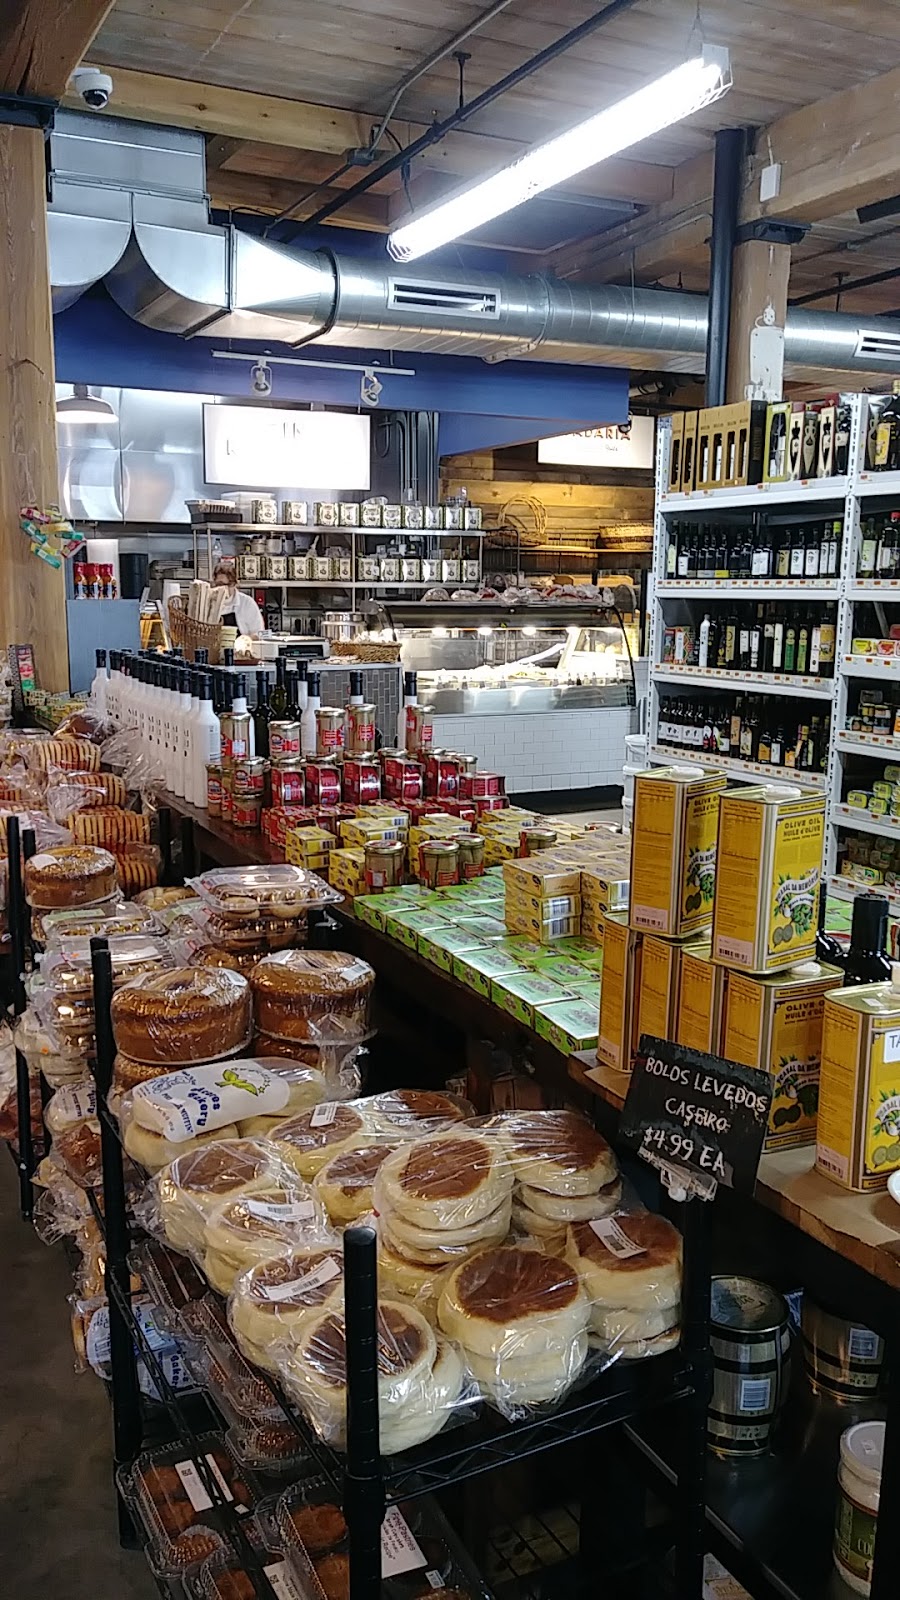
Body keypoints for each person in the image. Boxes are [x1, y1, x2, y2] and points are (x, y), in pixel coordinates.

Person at [212, 562, 265, 636]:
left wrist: (245, 640)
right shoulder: (207, 603)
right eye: (220, 584)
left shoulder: (247, 603)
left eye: (229, 584)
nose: (225, 589)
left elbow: (259, 633)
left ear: (235, 584)